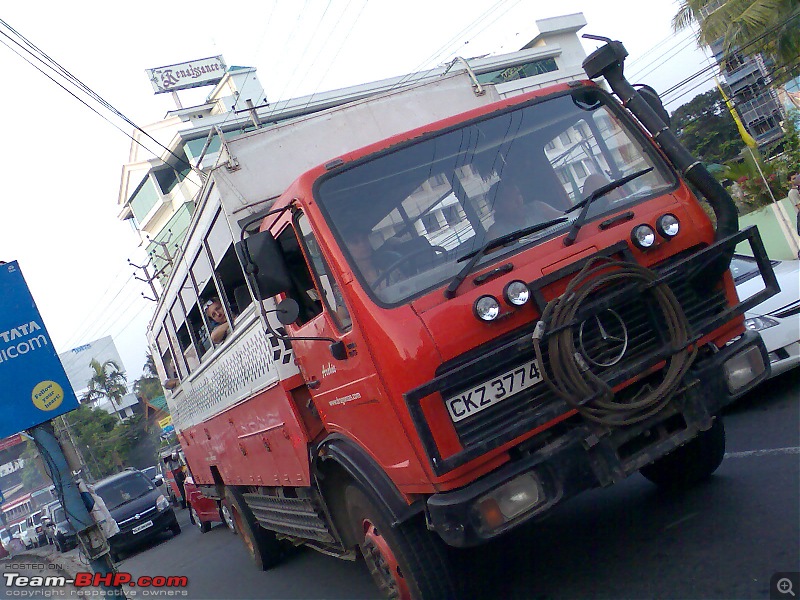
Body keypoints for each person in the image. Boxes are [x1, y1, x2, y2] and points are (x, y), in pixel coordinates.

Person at [486, 183, 562, 240]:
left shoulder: (538, 207)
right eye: (510, 198)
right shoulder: (495, 233)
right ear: (498, 207)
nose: (518, 200)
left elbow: (566, 219)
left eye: (518, 194)